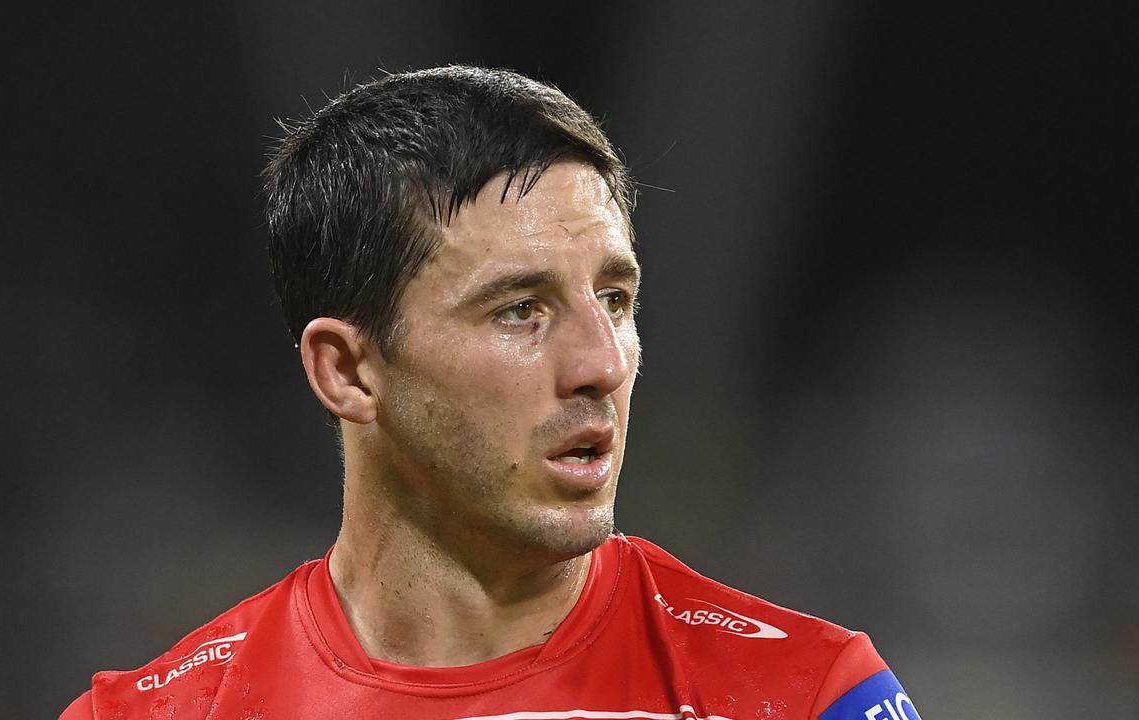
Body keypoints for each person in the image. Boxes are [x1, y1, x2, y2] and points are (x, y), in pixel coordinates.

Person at [60, 65, 922, 720]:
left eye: (615, 300)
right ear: (349, 372)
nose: (602, 362)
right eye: (520, 310)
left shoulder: (808, 696)